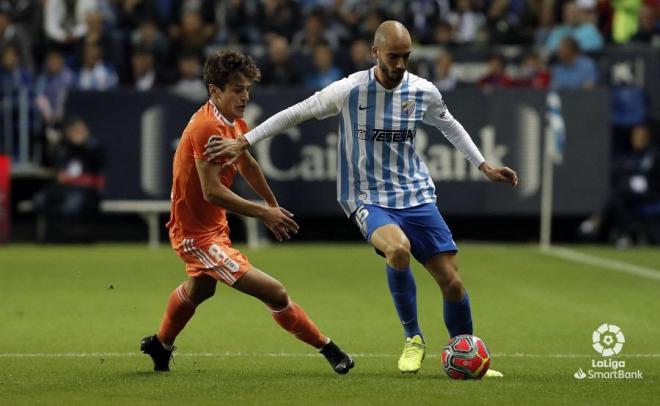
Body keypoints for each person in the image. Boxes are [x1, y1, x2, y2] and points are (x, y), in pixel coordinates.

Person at [204, 21, 517, 376]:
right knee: (397, 250)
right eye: (393, 57)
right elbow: (296, 112)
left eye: (406, 57)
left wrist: (483, 165)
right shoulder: (350, 90)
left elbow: (450, 124)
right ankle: (413, 339)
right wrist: (245, 141)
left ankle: (466, 351)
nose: (400, 65)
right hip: (366, 197)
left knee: (453, 282)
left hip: (415, 194)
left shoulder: (422, 91)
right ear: (376, 52)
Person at [140, 50, 354, 375]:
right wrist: (263, 214)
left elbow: (247, 163)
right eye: (237, 89)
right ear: (215, 91)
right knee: (275, 291)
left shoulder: (232, 120)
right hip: (195, 234)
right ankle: (329, 349)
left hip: (212, 227)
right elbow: (212, 190)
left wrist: (271, 203)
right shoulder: (206, 127)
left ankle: (160, 344)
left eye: (247, 88)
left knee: (201, 288)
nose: (245, 96)